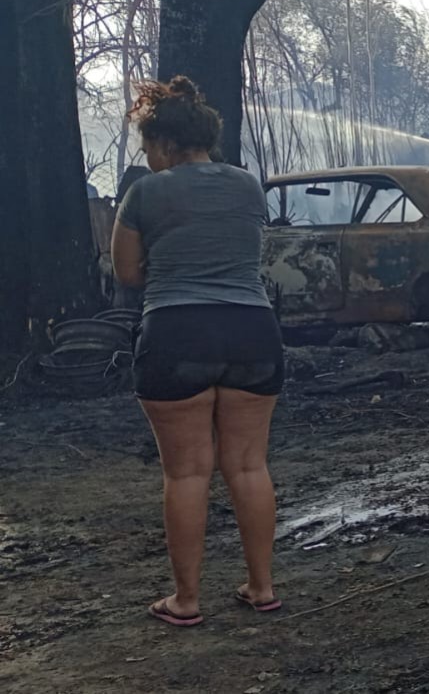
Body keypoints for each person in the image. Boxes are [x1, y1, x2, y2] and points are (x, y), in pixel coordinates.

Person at [110, 76, 284, 626]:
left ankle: (186, 601)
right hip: (252, 330)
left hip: (176, 331)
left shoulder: (144, 192)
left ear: (163, 142)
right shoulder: (249, 187)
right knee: (249, 464)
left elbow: (127, 272)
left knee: (187, 474)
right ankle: (261, 587)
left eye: (147, 147)